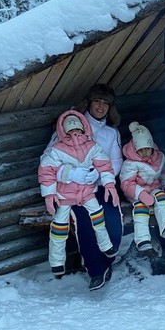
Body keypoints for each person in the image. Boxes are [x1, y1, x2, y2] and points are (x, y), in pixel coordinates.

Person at [46, 83, 124, 291]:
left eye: (106, 103)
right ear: (88, 103)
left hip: (100, 187)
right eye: (97, 101)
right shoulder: (69, 128)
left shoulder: (111, 133)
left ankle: (107, 262)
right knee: (84, 223)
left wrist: (98, 174)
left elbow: (116, 161)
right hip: (72, 192)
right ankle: (96, 270)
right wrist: (71, 174)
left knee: (114, 220)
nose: (101, 106)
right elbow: (48, 160)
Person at [119, 121, 165, 252]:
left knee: (162, 199)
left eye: (147, 149)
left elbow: (164, 173)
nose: (145, 152)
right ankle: (142, 239)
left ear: (152, 146)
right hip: (136, 192)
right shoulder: (131, 163)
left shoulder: (160, 158)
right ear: (135, 149)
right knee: (141, 209)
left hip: (154, 188)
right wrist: (141, 194)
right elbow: (126, 183)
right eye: (141, 150)